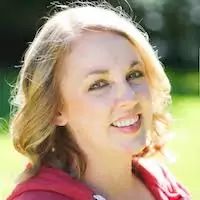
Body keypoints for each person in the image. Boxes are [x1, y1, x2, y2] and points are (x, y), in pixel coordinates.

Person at [7, 1, 190, 200]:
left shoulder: (165, 185)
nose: (129, 97)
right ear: (55, 109)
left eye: (134, 74)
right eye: (99, 84)